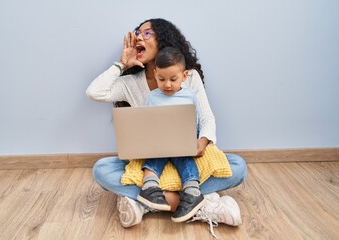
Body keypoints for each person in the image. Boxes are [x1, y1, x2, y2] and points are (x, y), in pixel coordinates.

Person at [86, 18, 247, 229]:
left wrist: (203, 141)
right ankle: (197, 204)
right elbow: (94, 92)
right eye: (137, 32)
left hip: (188, 156)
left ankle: (146, 203)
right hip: (151, 162)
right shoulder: (129, 83)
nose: (138, 37)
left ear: (163, 40)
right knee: (101, 169)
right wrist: (121, 64)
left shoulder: (190, 78)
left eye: (147, 33)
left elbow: (207, 117)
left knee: (238, 167)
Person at [137, 47, 205, 223]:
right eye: (161, 79)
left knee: (185, 160)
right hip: (158, 143)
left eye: (173, 79)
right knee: (153, 159)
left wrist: (196, 141)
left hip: (182, 143)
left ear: (184, 76)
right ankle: (150, 189)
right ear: (155, 73)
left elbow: (195, 122)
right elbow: (146, 123)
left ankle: (192, 193)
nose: (167, 84)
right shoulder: (151, 98)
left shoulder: (190, 96)